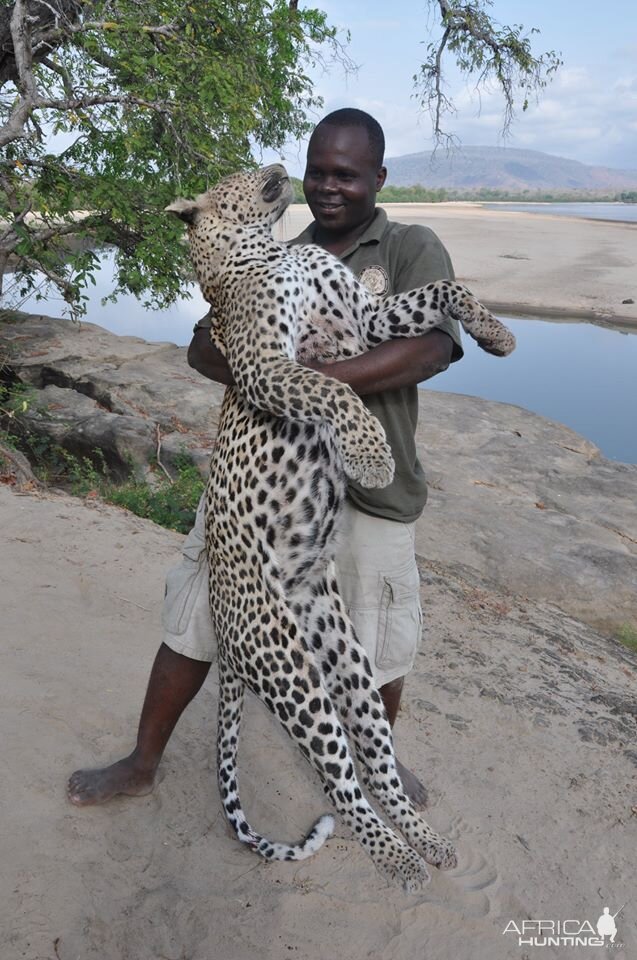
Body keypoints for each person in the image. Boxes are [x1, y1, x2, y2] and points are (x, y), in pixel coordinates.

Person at [67, 108, 463, 809]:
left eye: (345, 174)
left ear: (377, 177)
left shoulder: (406, 246)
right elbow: (199, 346)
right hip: (260, 482)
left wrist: (305, 384)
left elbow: (432, 345)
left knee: (372, 637)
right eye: (317, 172)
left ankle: (379, 765)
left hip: (368, 489)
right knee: (195, 612)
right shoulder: (264, 246)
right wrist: (259, 371)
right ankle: (142, 759)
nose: (327, 187)